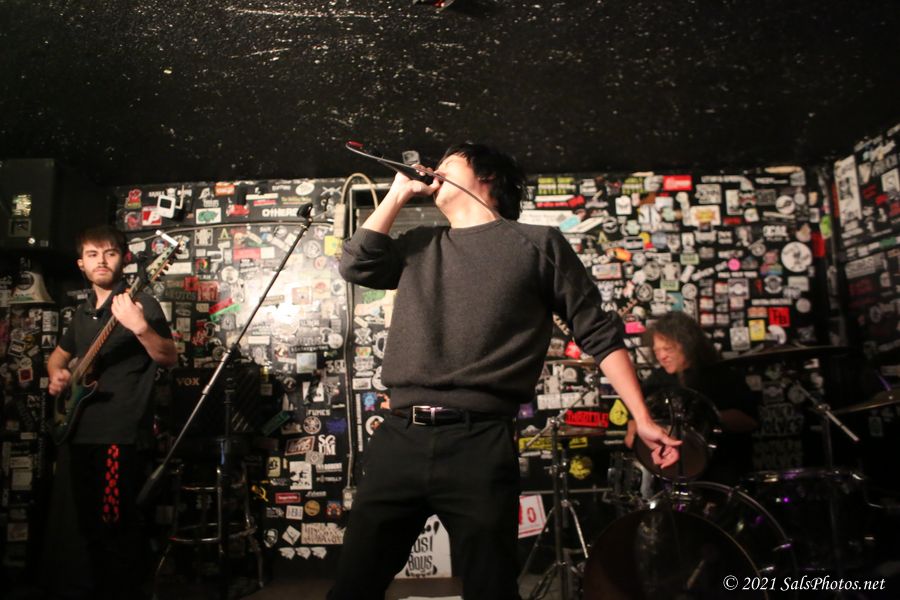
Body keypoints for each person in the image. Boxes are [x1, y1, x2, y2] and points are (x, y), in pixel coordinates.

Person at [332, 143, 681, 600]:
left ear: (488, 177)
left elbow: (598, 333)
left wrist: (644, 418)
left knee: (491, 589)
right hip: (400, 437)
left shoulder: (538, 244)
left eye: (449, 162)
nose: (435, 168)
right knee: (352, 586)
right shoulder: (420, 244)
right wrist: (397, 193)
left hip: (479, 443)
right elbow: (355, 264)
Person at [47, 224, 176, 599]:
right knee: (88, 526)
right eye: (92, 254)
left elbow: (169, 357)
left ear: (123, 259)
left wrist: (140, 327)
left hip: (119, 432)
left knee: (115, 524)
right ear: (81, 264)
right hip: (78, 430)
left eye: (110, 253)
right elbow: (58, 357)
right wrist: (57, 374)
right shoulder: (82, 313)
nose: (101, 261)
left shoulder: (141, 303)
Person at [626, 311, 758, 484]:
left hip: (722, 471)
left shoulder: (724, 376)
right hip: (671, 475)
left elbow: (750, 422)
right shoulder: (656, 380)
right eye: (656, 350)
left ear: (688, 344)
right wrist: (636, 429)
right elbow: (632, 427)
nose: (661, 356)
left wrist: (705, 418)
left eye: (668, 349)